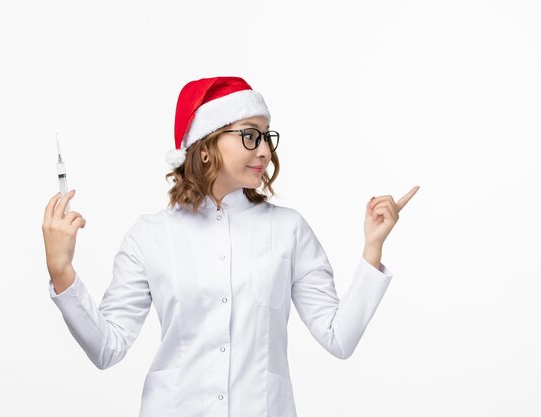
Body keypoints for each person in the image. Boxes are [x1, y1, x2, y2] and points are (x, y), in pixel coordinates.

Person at [42, 76, 419, 417]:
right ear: (205, 146)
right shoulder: (150, 236)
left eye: (267, 136)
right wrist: (62, 272)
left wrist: (373, 248)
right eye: (250, 135)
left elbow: (339, 338)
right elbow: (108, 348)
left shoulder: (289, 230)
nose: (265, 151)